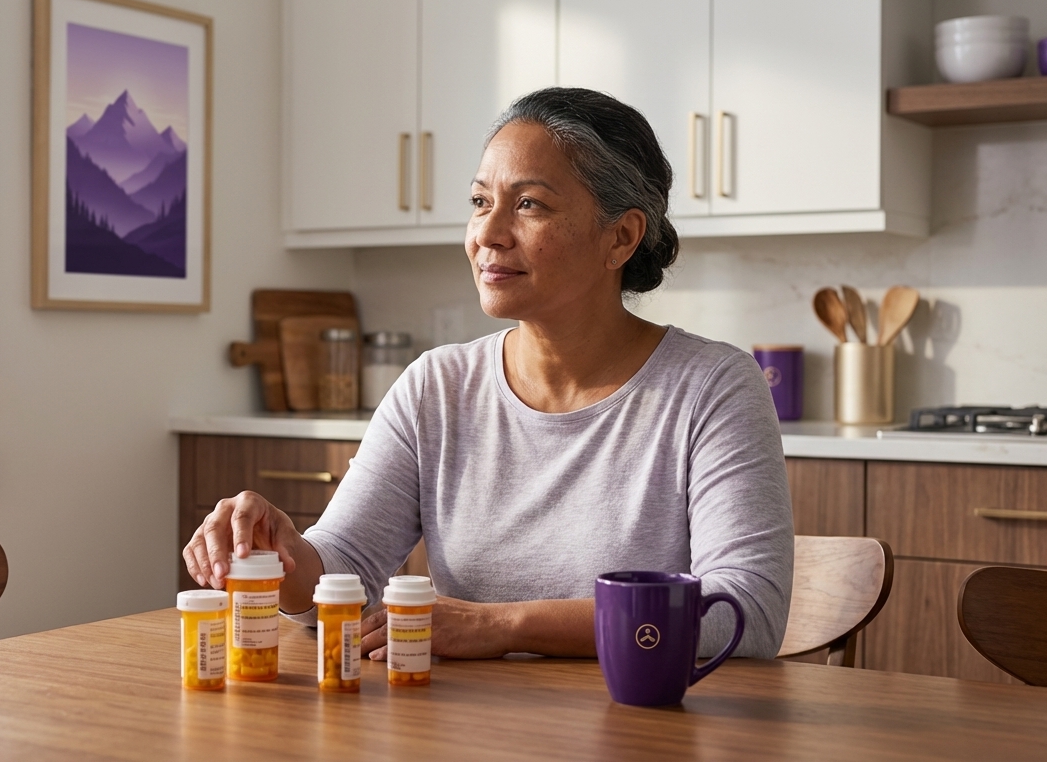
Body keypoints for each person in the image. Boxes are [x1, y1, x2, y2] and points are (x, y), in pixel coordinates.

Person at [183, 87, 793, 661]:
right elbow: (344, 573)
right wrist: (281, 555)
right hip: (460, 726)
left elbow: (744, 612)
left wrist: (503, 626)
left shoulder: (714, 387)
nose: (488, 234)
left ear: (622, 236)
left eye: (528, 204)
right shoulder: (436, 388)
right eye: (480, 202)